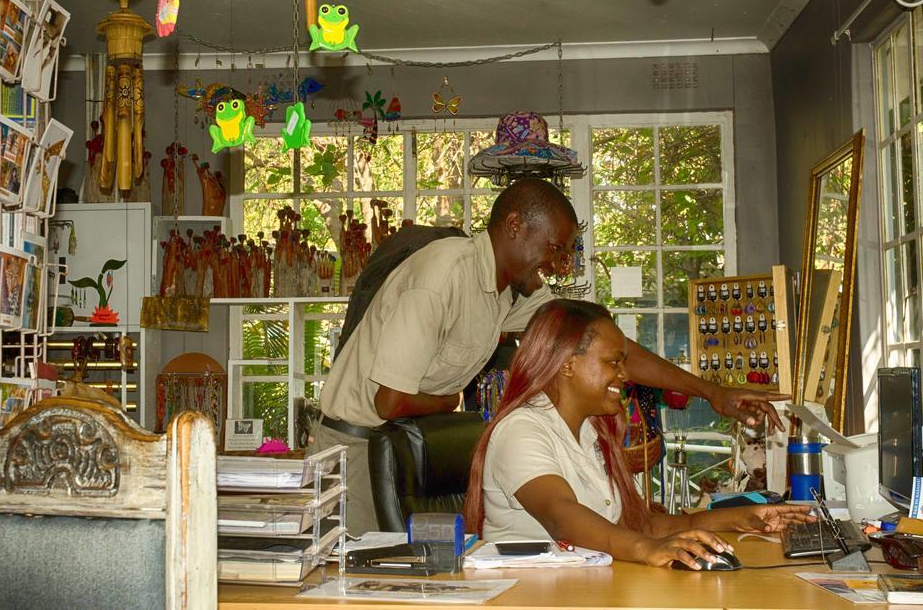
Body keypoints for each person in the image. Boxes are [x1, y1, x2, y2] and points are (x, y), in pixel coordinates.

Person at [312, 177, 788, 535]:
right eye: (555, 249)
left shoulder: (509, 291)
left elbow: (606, 345)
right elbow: (388, 402)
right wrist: (450, 401)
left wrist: (712, 392)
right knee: (359, 585)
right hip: (357, 446)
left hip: (405, 438)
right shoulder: (441, 278)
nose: (559, 265)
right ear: (515, 226)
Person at [463, 299, 814, 568]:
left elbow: (635, 525)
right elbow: (561, 515)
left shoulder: (586, 432)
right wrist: (647, 550)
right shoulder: (521, 430)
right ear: (568, 364)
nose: (624, 376)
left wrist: (738, 519)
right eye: (613, 363)